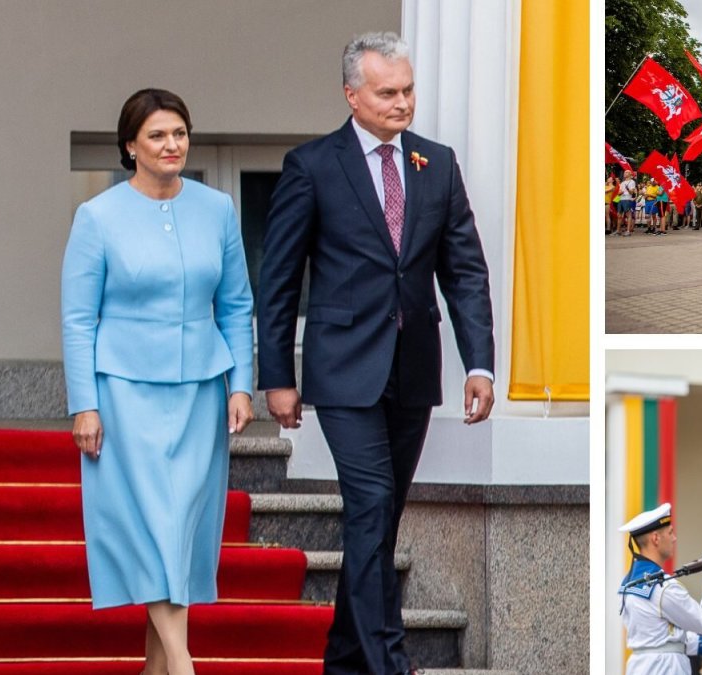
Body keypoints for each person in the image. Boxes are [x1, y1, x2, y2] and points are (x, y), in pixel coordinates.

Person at [256, 33, 495, 675]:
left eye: (408, 89)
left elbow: (465, 271)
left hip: (413, 369)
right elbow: (279, 279)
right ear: (351, 95)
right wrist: (276, 375)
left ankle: (344, 659)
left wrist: (479, 362)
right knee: (369, 506)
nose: (402, 103)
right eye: (387, 92)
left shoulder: (436, 164)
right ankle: (389, 662)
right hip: (341, 372)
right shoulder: (312, 165)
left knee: (380, 520)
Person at [62, 88, 255, 675]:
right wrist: (84, 405)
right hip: (123, 394)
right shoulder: (97, 217)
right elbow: (77, 318)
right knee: (152, 523)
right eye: (157, 136)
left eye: (179, 133)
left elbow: (237, 304)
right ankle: (182, 661)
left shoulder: (217, 208)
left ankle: (155, 668)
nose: (172, 145)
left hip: (200, 390)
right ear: (131, 146)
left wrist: (241, 384)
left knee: (183, 525)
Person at [618, 504, 702, 674]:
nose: (674, 538)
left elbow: (665, 638)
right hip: (665, 668)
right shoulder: (663, 586)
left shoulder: (628, 583)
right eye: (670, 532)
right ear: (655, 538)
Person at [618, 170, 638, 236]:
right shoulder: (622, 182)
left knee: (628, 215)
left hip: (627, 199)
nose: (624, 173)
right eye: (624, 172)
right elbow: (619, 193)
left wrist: (627, 189)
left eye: (626, 172)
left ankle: (628, 231)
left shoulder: (632, 182)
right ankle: (618, 231)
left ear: (630, 174)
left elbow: (631, 192)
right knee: (619, 215)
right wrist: (621, 192)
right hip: (621, 199)